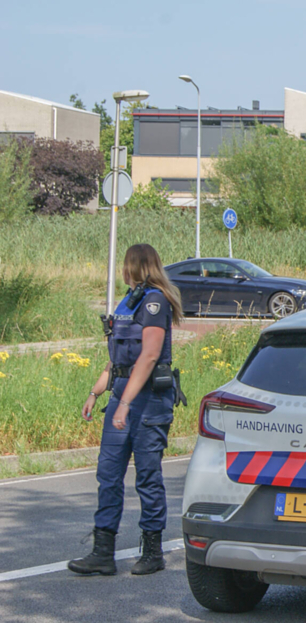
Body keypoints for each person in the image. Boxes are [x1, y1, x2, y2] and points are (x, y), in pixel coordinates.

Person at [68, 244, 183, 577]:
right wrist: (95, 391)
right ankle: (102, 552)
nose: (122, 269)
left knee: (147, 478)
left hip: (148, 402)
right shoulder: (128, 301)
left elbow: (148, 356)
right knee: (108, 476)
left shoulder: (154, 301)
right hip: (122, 397)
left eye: (126, 264)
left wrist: (128, 402)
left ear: (136, 265)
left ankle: (152, 551)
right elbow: (118, 358)